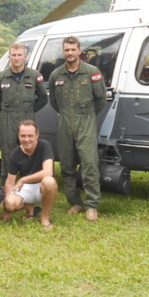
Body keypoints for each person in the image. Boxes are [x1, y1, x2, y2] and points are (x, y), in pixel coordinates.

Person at [49, 36, 106, 222]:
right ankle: (75, 202)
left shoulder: (92, 72)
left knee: (89, 162)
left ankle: (92, 204)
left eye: (73, 50)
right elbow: (54, 102)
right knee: (66, 163)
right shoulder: (56, 75)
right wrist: (67, 113)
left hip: (86, 119)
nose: (70, 53)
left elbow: (101, 99)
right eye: (67, 50)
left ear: (79, 51)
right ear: (63, 51)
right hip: (64, 120)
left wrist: (86, 114)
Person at [0, 43, 48, 186]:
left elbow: (43, 98)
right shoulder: (1, 77)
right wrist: (6, 111)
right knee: (7, 153)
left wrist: (28, 109)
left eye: (19, 55)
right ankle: (6, 187)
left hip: (27, 117)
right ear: (9, 57)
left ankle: (29, 185)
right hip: (8, 119)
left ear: (25, 57)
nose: (16, 58)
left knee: (29, 151)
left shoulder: (34, 75)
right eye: (14, 55)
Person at [2, 120, 58, 229]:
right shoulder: (15, 154)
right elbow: (10, 182)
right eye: (23, 136)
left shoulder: (44, 146)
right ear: (18, 136)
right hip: (26, 189)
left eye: (30, 136)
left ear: (37, 135)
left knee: (49, 181)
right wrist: (7, 209)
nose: (26, 139)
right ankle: (30, 208)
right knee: (9, 203)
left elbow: (48, 172)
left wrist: (23, 180)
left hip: (43, 186)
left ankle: (45, 217)